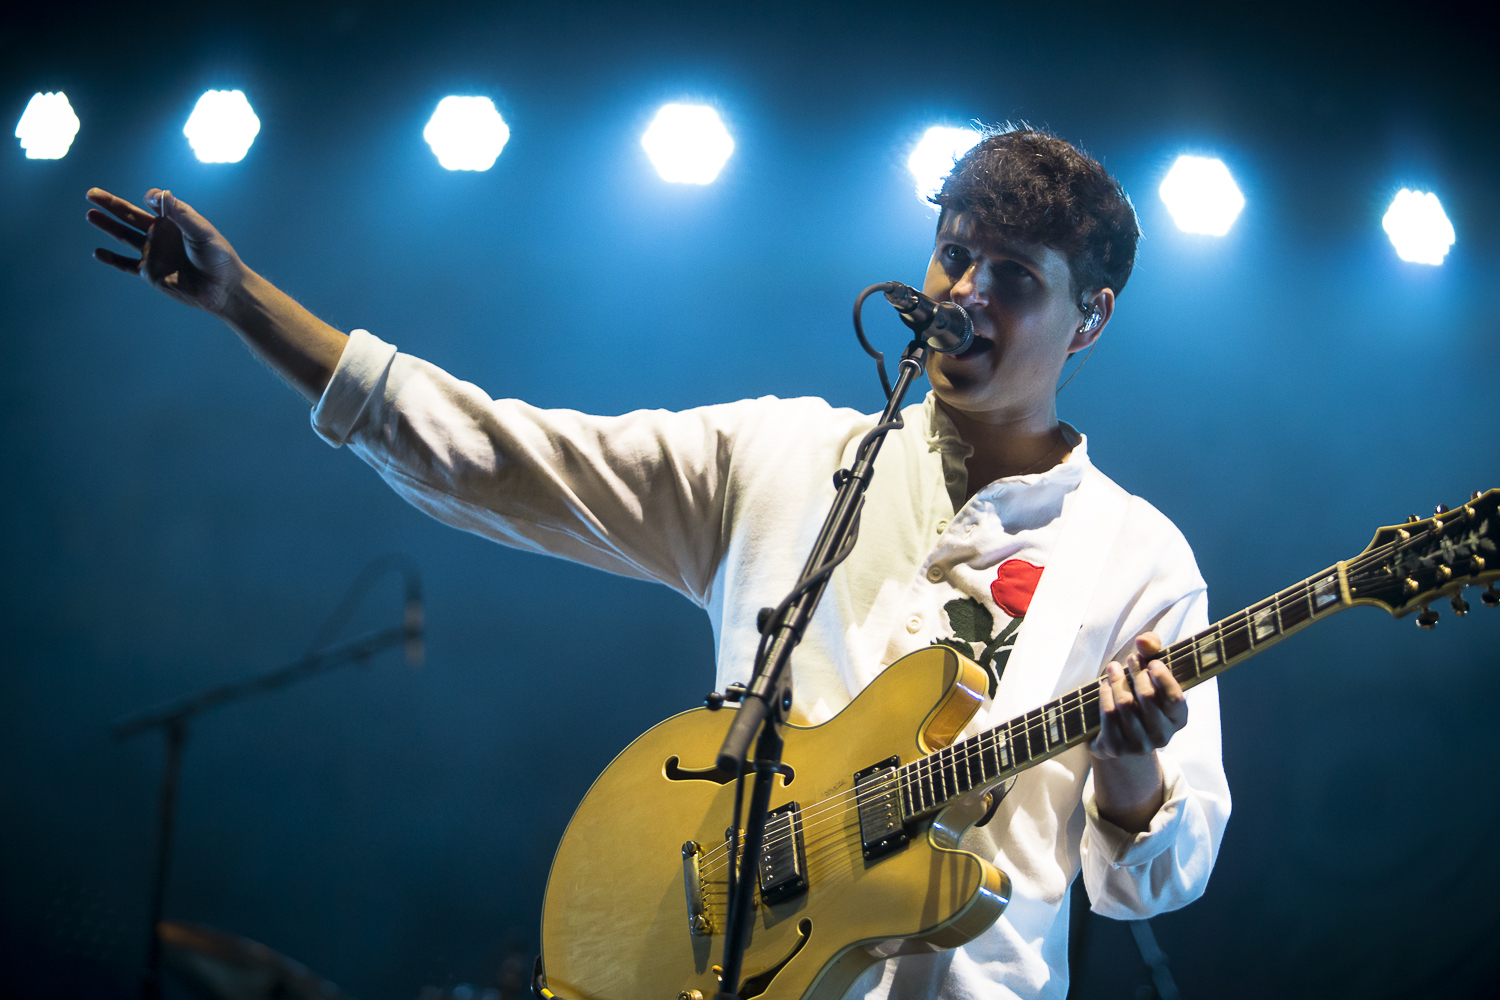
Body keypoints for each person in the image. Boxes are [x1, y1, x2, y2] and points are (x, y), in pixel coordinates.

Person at [86, 126, 1230, 1000]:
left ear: (1092, 318)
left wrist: (1132, 771)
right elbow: (505, 457)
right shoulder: (785, 456)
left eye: (1015, 277)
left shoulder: (1135, 554)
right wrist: (249, 306)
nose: (965, 295)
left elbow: (1149, 882)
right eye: (952, 255)